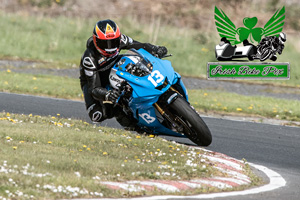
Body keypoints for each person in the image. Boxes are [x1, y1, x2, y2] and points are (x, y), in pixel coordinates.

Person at [79, 19, 168, 130]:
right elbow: (94, 88)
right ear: (96, 41)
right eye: (104, 43)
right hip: (96, 79)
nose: (110, 47)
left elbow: (139, 45)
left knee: (137, 60)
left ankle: (152, 88)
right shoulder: (89, 58)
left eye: (113, 42)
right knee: (97, 115)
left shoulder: (122, 39)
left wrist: (155, 48)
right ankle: (127, 120)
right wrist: (107, 94)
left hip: (115, 65)